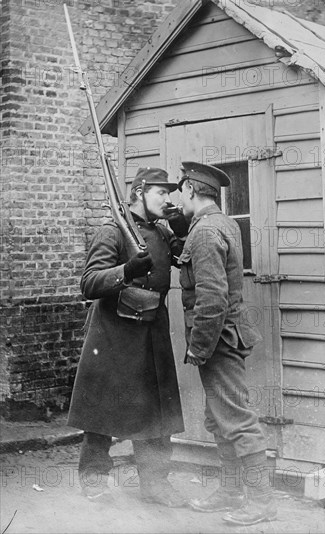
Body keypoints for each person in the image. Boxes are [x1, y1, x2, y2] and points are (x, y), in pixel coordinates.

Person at [68, 167, 189, 507]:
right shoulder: (113, 231)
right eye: (161, 193)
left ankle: (155, 483)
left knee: (157, 411)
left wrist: (182, 229)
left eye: (170, 193)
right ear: (139, 192)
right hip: (114, 333)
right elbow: (89, 284)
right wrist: (126, 271)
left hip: (152, 328)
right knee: (101, 408)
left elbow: (185, 257)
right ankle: (94, 478)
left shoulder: (162, 233)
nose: (168, 199)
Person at [177, 161, 277, 526]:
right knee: (218, 418)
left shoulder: (204, 233)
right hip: (229, 334)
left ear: (190, 189)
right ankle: (231, 492)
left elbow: (213, 298)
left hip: (218, 339)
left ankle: (262, 502)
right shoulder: (225, 222)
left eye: (180, 190)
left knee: (236, 419)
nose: (177, 197)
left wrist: (198, 347)